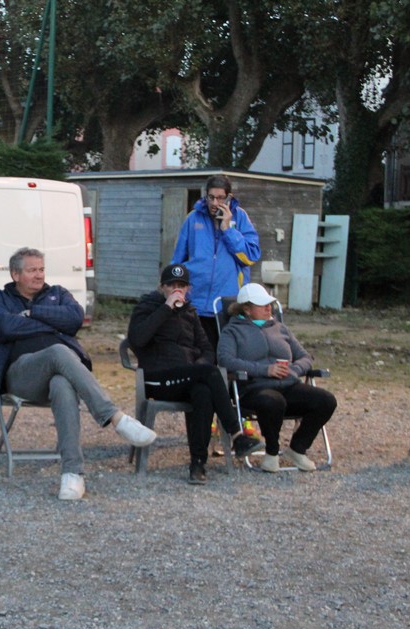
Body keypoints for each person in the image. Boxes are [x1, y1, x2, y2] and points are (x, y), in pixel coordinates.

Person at [0, 247, 157, 501]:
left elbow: (75, 319)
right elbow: (4, 327)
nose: (39, 275)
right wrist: (53, 325)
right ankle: (116, 418)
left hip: (58, 375)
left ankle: (72, 474)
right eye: (32, 270)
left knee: (62, 383)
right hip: (21, 376)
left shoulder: (58, 294)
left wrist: (33, 313)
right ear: (15, 274)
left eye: (41, 269)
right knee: (58, 350)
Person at [127, 263, 260, 484]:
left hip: (187, 377)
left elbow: (207, 349)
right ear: (162, 287)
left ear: (188, 289)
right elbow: (137, 339)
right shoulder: (148, 306)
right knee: (209, 373)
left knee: (203, 392)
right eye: (171, 285)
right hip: (158, 378)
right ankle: (237, 435)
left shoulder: (189, 313)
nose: (177, 290)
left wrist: (198, 366)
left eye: (181, 286)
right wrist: (166, 308)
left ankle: (198, 464)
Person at [216, 283, 336, 473]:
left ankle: (297, 448)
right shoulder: (232, 331)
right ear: (247, 309)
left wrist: (294, 371)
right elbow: (225, 360)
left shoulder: (280, 328)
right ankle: (272, 452)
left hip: (288, 384)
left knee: (326, 400)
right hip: (254, 388)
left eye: (269, 304)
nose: (268, 308)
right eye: (262, 305)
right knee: (272, 401)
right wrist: (265, 370)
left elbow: (305, 357)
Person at [172, 174, 261, 348]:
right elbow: (177, 260)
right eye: (211, 197)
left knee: (223, 354)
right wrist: (176, 289)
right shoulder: (193, 218)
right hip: (195, 301)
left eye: (220, 198)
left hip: (227, 304)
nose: (214, 203)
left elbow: (251, 256)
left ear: (229, 197)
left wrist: (228, 230)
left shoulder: (240, 218)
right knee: (195, 353)